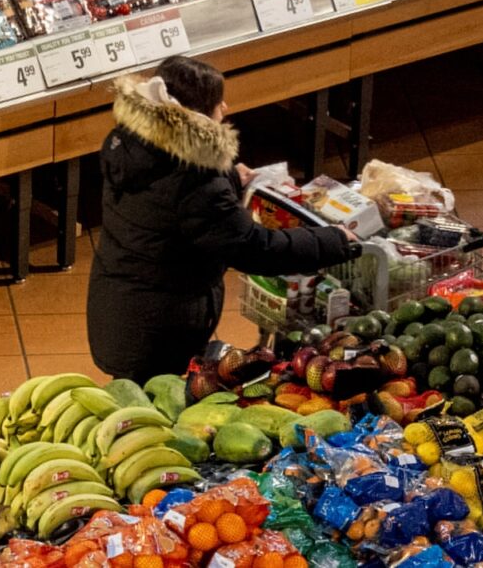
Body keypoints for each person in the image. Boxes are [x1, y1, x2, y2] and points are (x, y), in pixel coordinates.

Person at [87, 56, 360, 382]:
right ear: (197, 112)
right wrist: (332, 240)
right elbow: (253, 247)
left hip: (121, 307)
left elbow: (169, 198)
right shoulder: (196, 176)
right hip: (159, 329)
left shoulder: (133, 141)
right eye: (218, 103)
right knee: (157, 408)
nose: (226, 108)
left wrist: (227, 175)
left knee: (134, 396)